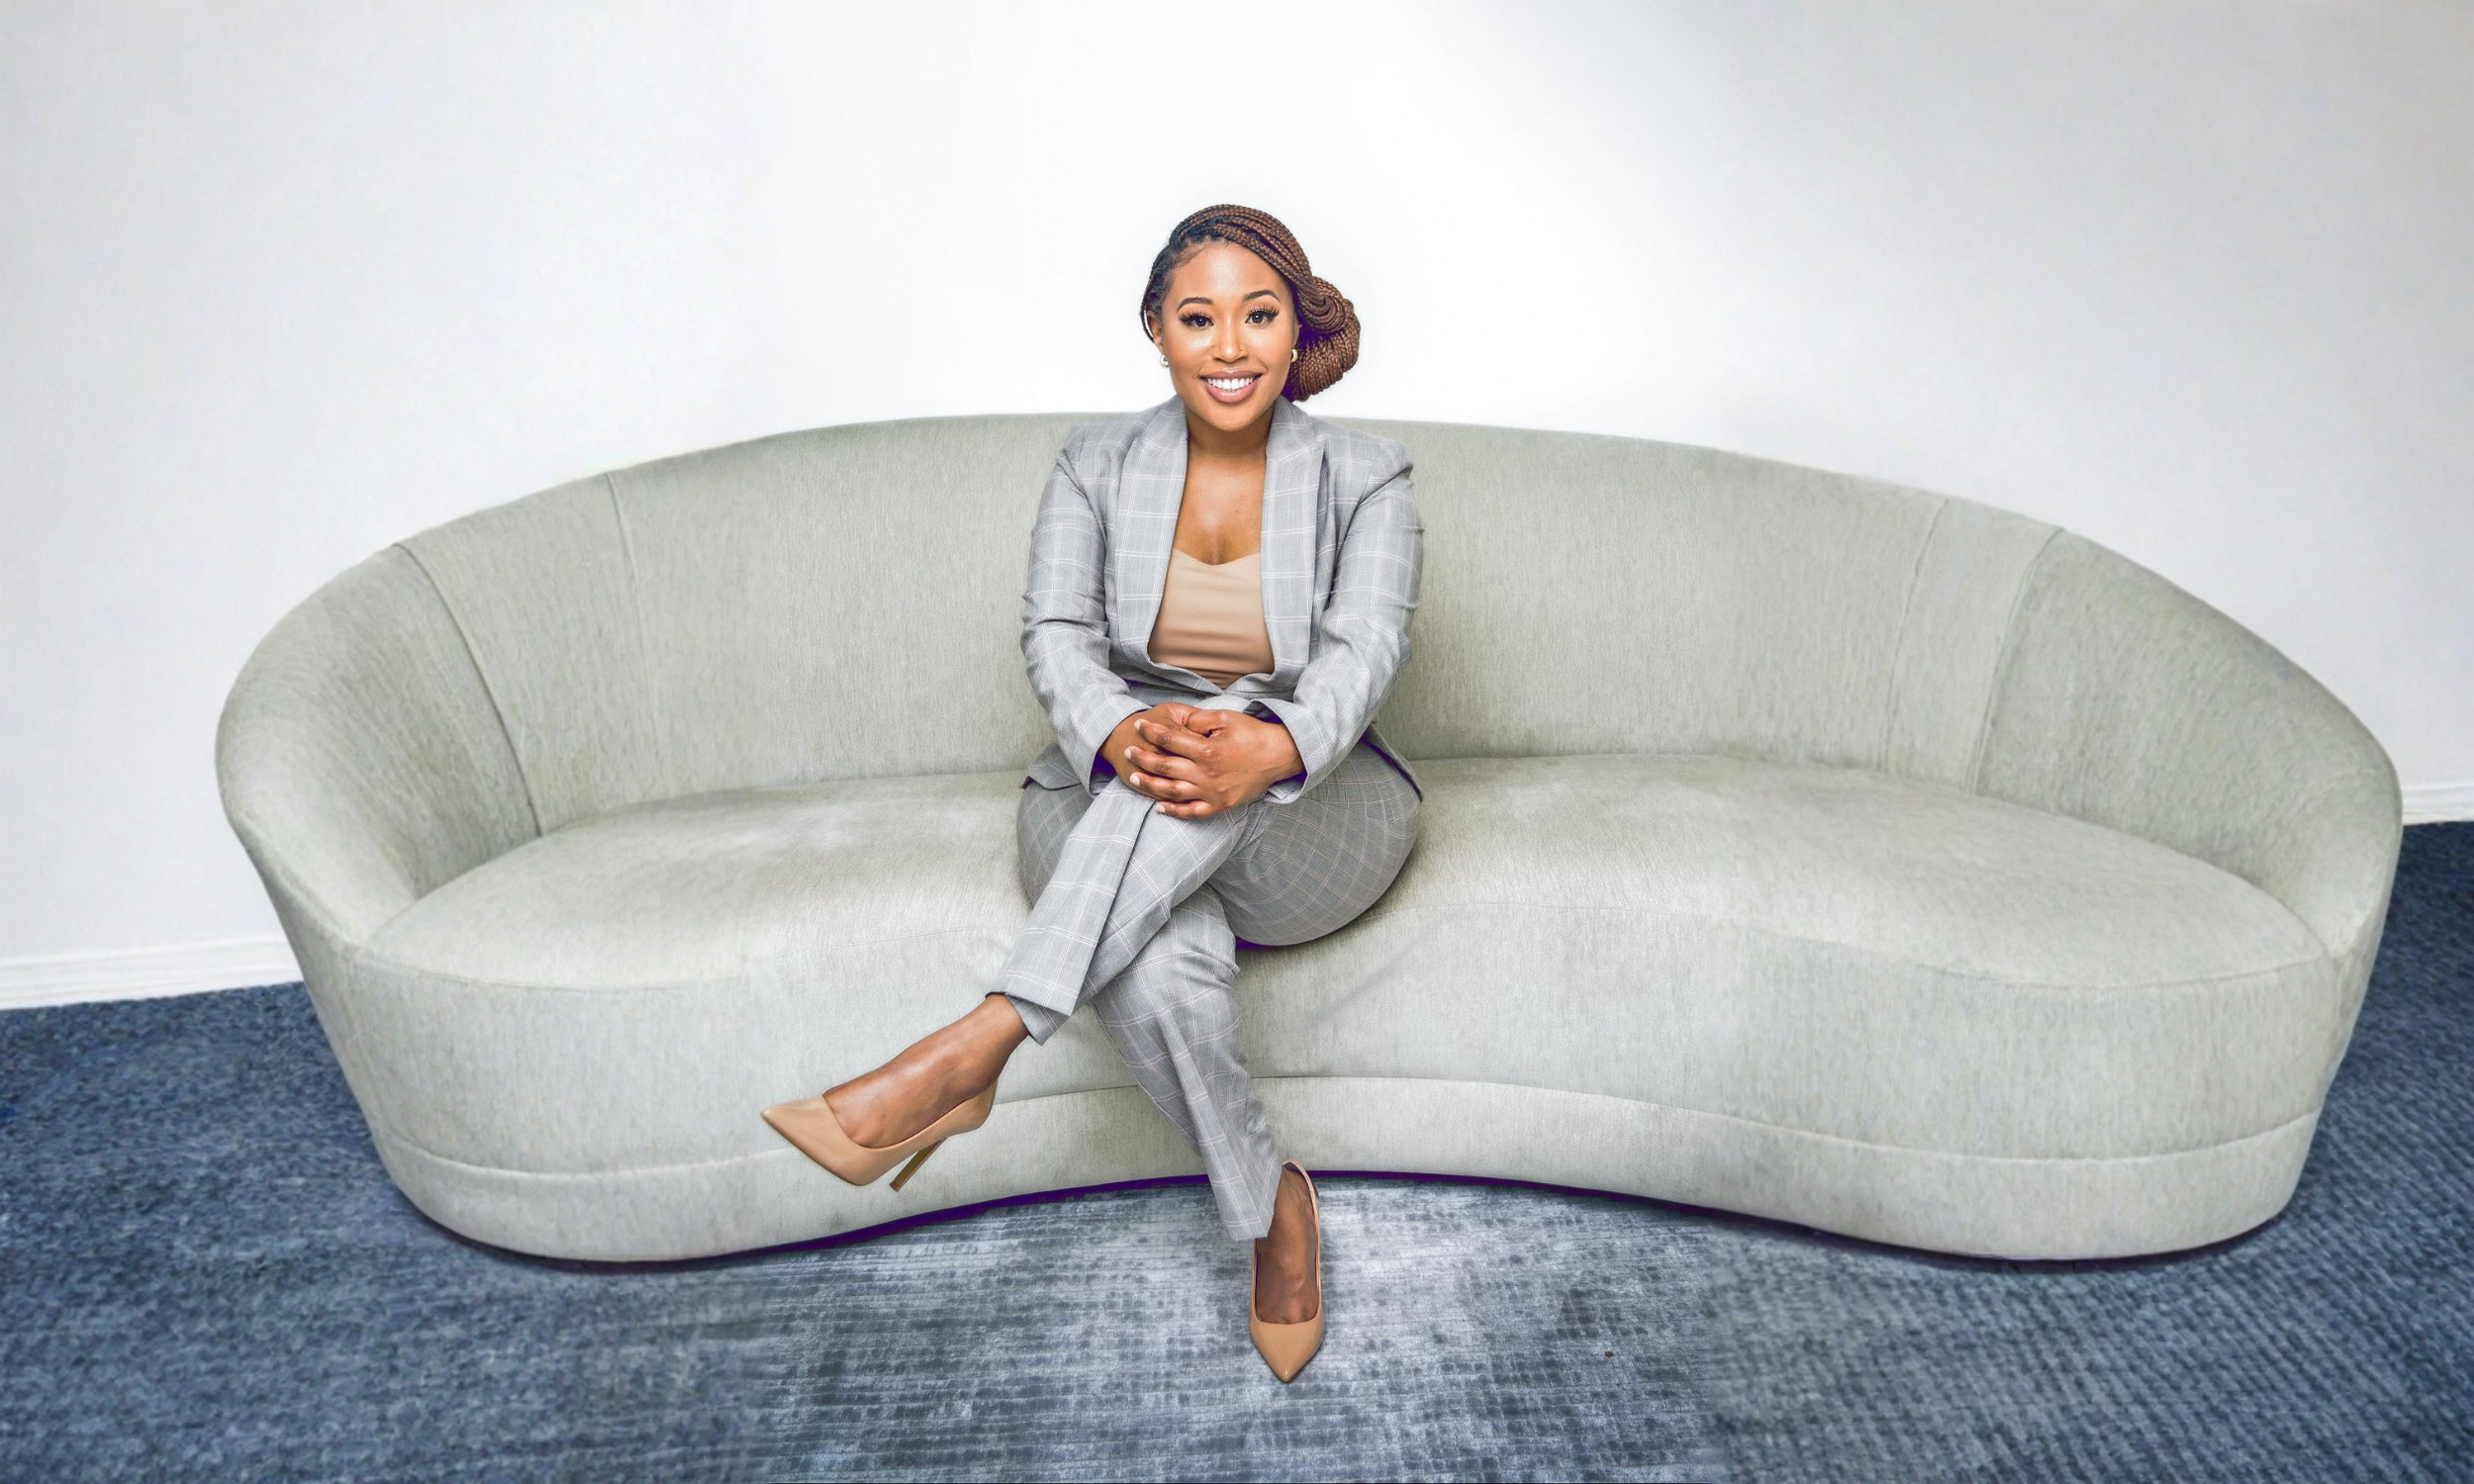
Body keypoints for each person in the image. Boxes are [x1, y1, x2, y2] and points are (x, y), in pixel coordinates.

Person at [761, 204, 1424, 1383]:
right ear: (1156, 335)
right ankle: (1276, 1218)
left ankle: (976, 1044)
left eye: (1258, 316)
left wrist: (1263, 747)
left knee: (1206, 773)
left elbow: (1363, 652)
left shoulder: (1365, 476)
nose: (1230, 346)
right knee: (1165, 961)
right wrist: (1125, 730)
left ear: (1291, 328)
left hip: (1312, 813)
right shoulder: (1093, 461)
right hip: (1106, 785)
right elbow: (1055, 633)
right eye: (1199, 318)